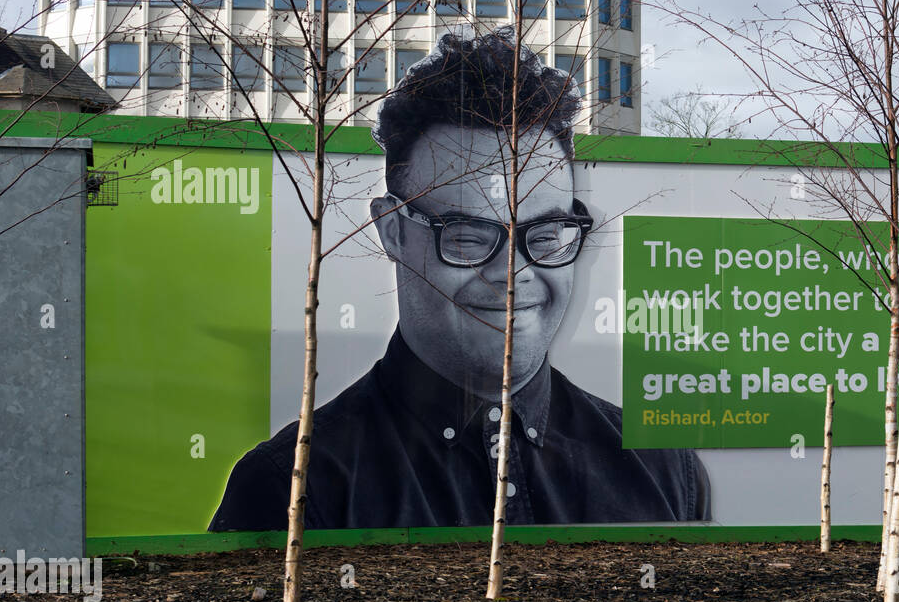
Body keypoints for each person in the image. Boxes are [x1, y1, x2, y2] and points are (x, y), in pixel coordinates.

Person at [209, 29, 711, 530]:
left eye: (545, 234)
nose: (513, 273)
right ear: (392, 230)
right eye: (469, 236)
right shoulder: (291, 489)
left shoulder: (667, 470)